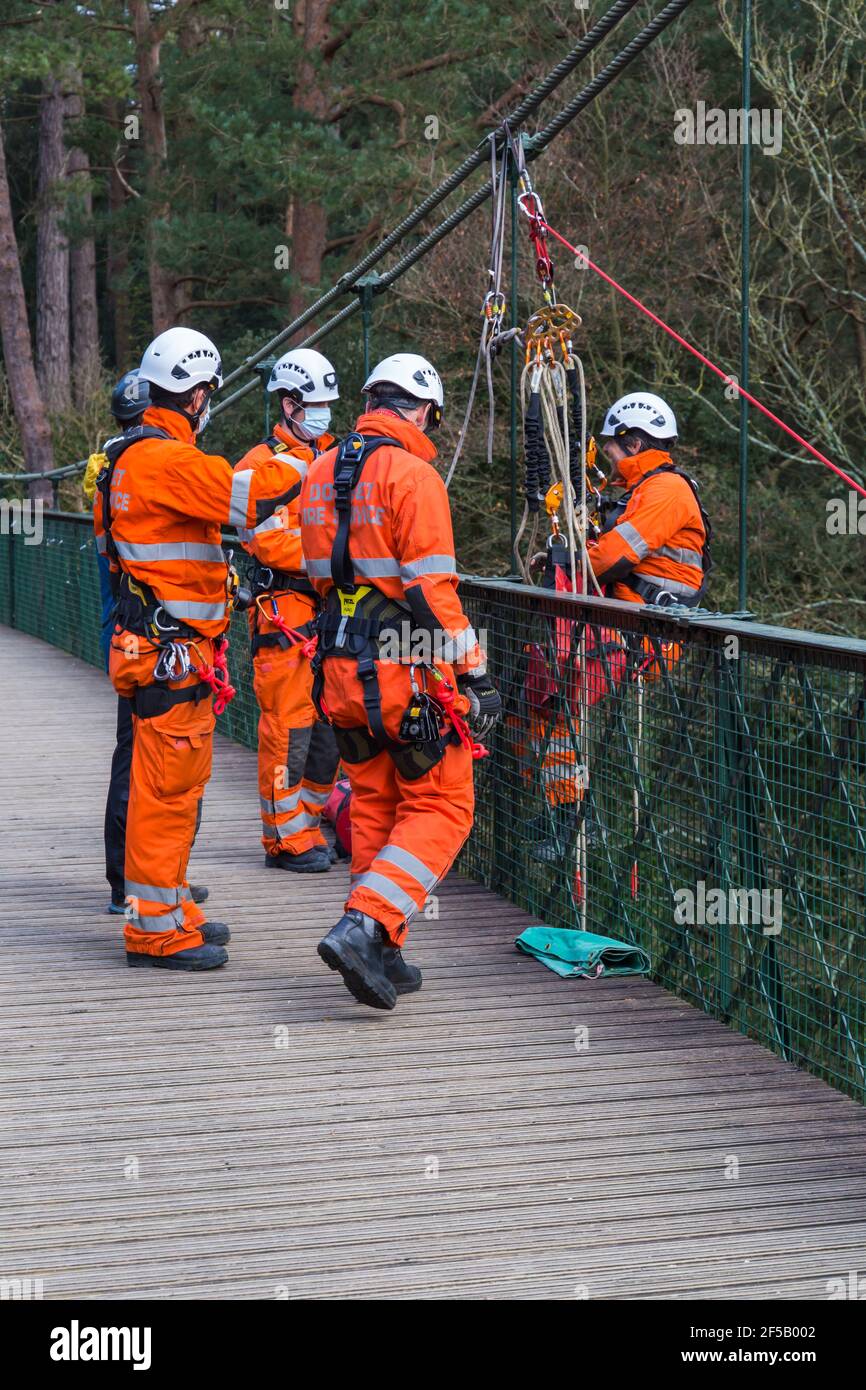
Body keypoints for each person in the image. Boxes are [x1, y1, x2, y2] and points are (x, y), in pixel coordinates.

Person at [299, 352, 502, 1010]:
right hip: (398, 675)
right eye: (432, 420)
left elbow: (319, 578)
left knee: (377, 804)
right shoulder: (412, 475)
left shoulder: (318, 471)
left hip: (335, 670)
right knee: (444, 804)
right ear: (418, 411)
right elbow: (432, 593)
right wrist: (476, 672)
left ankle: (382, 946)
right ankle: (365, 924)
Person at [101, 327, 299, 971]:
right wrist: (315, 459)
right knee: (166, 790)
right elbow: (249, 498)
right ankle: (155, 930)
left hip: (160, 646)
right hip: (169, 650)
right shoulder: (166, 460)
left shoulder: (131, 457)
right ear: (193, 395)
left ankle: (172, 907)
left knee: (174, 786)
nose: (211, 401)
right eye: (208, 391)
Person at [89, 373, 211, 915]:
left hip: (132, 633)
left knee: (143, 764)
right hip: (156, 641)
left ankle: (156, 883)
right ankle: (138, 892)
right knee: (151, 771)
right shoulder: (151, 464)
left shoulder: (114, 469)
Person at [234, 349, 341, 872]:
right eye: (314, 403)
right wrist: (339, 552)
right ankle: (283, 836)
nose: (323, 412)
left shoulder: (337, 454)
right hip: (284, 609)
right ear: (289, 403)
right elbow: (268, 541)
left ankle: (309, 821)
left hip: (328, 608)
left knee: (330, 723)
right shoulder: (257, 468)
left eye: (327, 403)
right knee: (288, 725)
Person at [588, 392, 710, 605]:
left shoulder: (666, 489)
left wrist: (571, 564)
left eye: (612, 442)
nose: (605, 448)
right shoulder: (647, 489)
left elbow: (611, 557)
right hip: (636, 621)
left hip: (650, 628)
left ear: (634, 445)